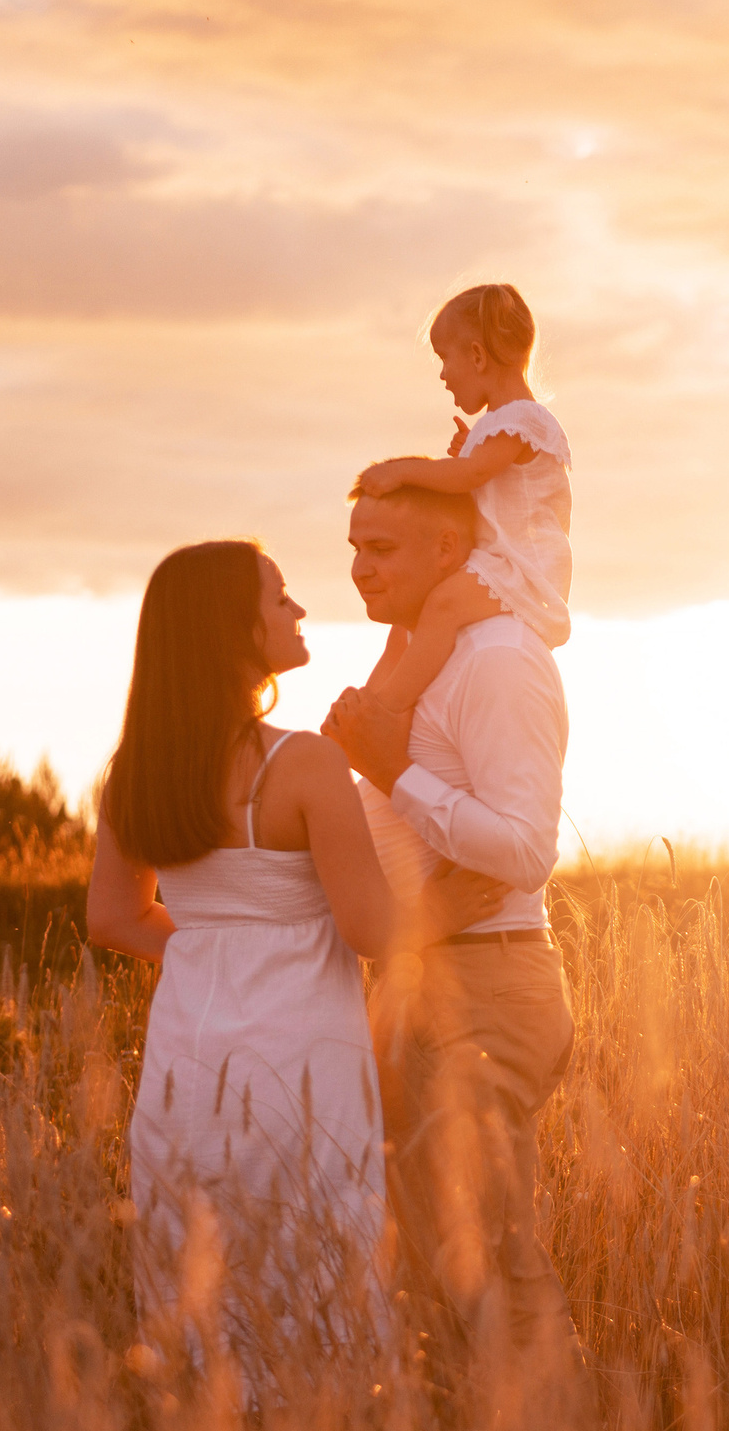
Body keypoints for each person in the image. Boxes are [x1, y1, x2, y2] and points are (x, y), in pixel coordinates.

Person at [86, 538, 503, 1371]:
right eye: (280, 598)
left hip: (186, 1078)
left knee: (203, 1303)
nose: (299, 609)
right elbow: (372, 930)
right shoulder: (303, 762)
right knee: (312, 1296)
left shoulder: (134, 773)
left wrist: (214, 946)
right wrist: (457, 898)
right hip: (299, 1073)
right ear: (233, 630)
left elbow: (113, 918)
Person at [325, 482, 576, 1367]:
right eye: (354, 546)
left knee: (493, 1272)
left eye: (382, 548)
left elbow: (523, 849)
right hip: (428, 980)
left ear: (447, 553)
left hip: (483, 983)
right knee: (433, 1278)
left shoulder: (499, 659)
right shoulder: (425, 661)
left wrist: (393, 773)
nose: (359, 568)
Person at [350, 283, 572, 714]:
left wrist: (401, 471)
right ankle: (375, 697)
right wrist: (474, 444)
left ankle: (391, 706)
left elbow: (469, 475)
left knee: (443, 605)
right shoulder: (502, 427)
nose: (442, 373)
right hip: (494, 559)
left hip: (518, 566)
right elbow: (487, 477)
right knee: (408, 621)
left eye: (444, 358)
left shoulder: (523, 418)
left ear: (476, 356)